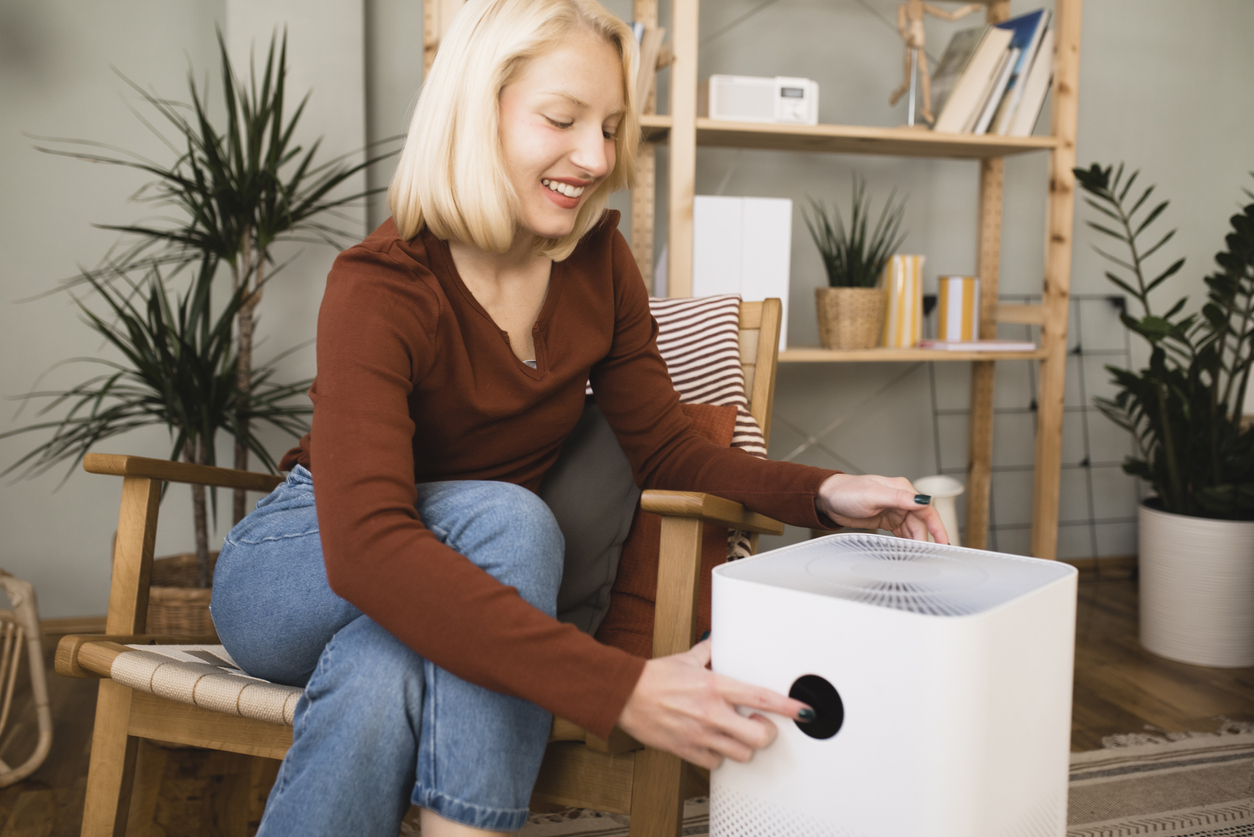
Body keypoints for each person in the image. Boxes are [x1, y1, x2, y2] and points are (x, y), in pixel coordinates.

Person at [210, 1, 948, 835]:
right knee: (508, 513)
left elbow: (666, 448)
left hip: (442, 585)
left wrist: (825, 491)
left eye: (611, 126)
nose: (596, 157)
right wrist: (622, 686)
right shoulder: (380, 284)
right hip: (295, 567)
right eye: (562, 119)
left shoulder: (599, 263)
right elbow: (371, 546)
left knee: (386, 664)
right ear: (473, 110)